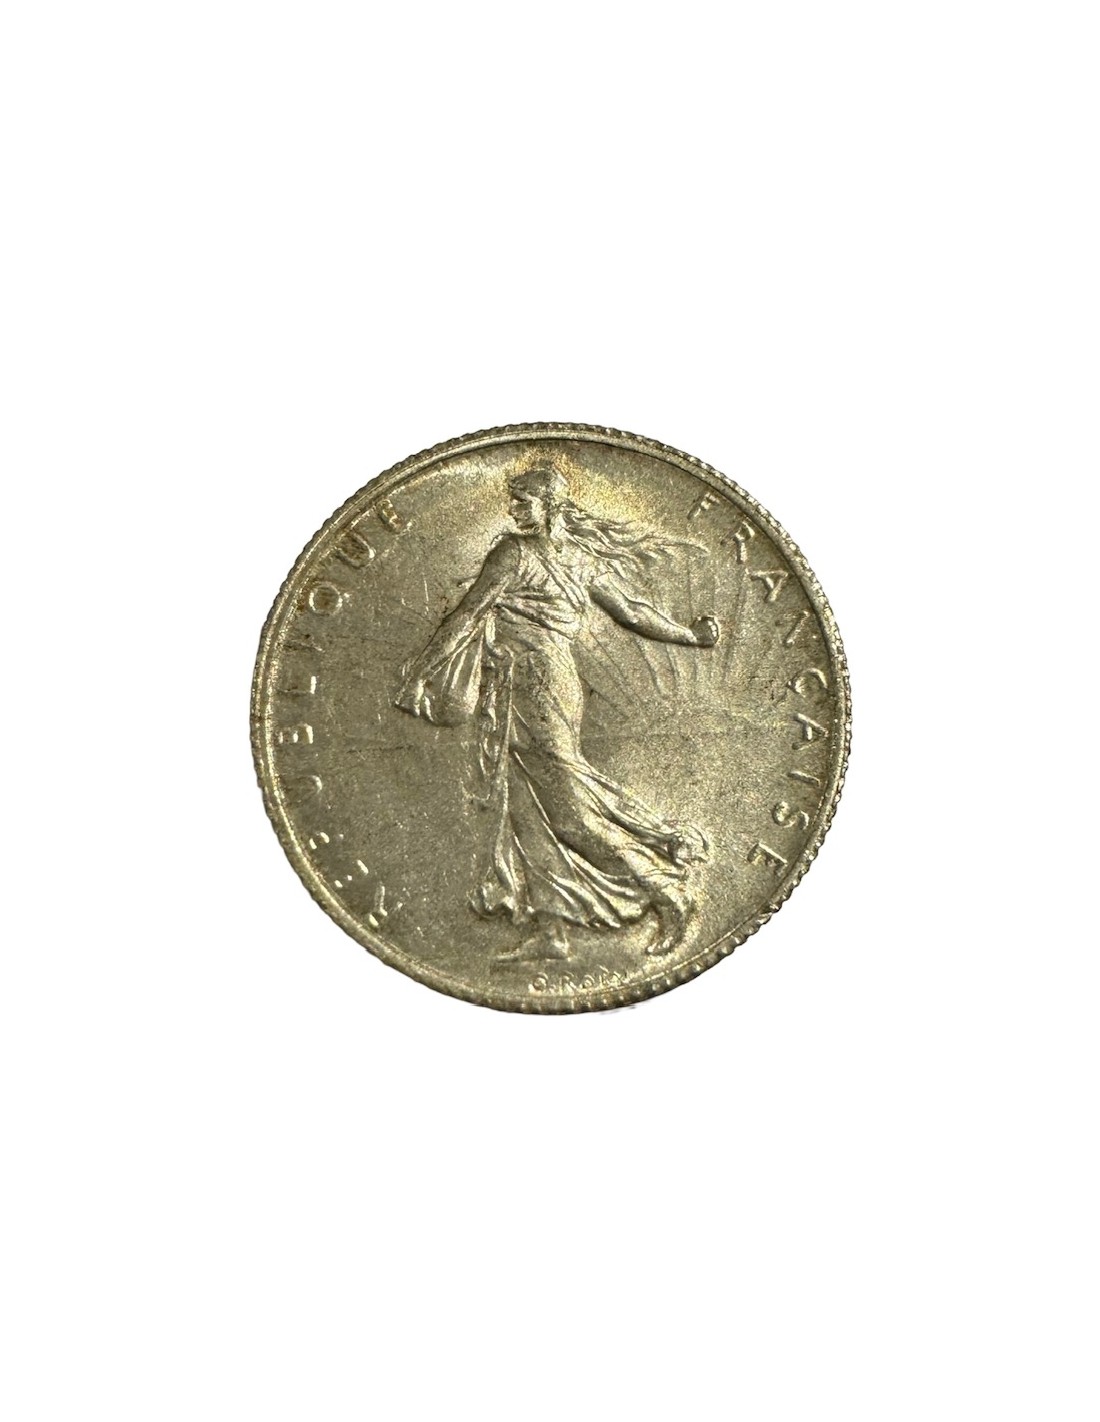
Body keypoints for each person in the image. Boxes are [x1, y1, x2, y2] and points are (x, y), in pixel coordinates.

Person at [394, 461, 719, 961]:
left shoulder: (515, 553)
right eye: (514, 501)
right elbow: (632, 610)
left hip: (535, 681)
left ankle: (667, 888)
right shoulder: (578, 559)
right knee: (526, 806)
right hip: (525, 682)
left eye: (523, 501)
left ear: (550, 506)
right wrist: (689, 636)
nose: (514, 510)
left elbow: (469, 613)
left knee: (568, 806)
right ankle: (552, 928)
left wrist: (421, 672)